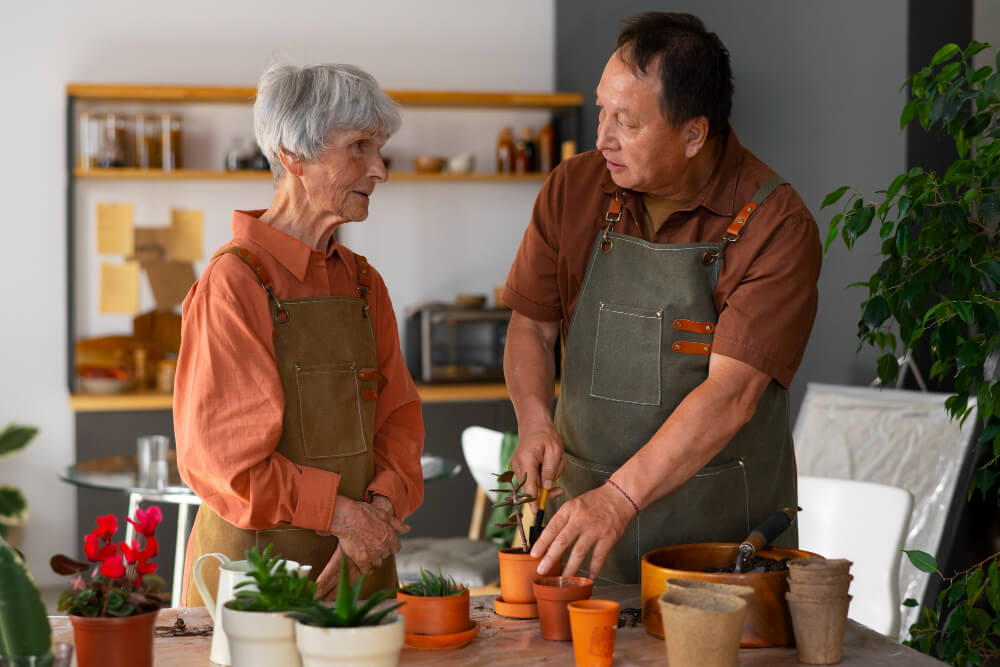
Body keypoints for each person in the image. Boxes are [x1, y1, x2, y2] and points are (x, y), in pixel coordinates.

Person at [502, 12, 822, 584]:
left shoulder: (775, 223)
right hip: (583, 536)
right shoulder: (573, 190)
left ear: (694, 134)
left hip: (719, 551)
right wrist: (534, 421)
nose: (601, 136)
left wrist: (619, 499)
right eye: (602, 109)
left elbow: (731, 394)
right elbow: (532, 326)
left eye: (625, 121)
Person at [174, 63, 424, 605]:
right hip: (255, 581)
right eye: (359, 147)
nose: (379, 169)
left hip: (361, 565)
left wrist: (379, 512)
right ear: (294, 156)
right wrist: (342, 515)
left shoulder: (363, 284)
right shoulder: (235, 282)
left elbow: (400, 419)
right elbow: (225, 462)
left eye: (380, 149)